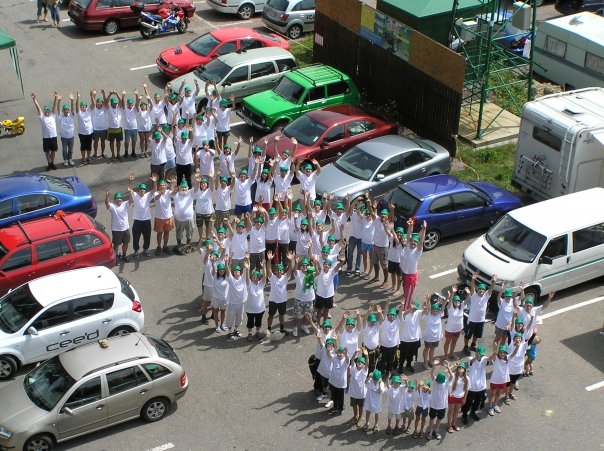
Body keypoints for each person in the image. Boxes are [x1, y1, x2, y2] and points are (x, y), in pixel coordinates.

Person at [463, 273, 497, 356]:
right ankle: (466, 347)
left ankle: (473, 345)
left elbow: (491, 289)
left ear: (485, 291)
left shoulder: (486, 296)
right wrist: (473, 280)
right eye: (480, 289)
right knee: (468, 335)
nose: (481, 291)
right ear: (477, 290)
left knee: (477, 334)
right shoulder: (474, 296)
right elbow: (472, 288)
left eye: (483, 290)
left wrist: (494, 282)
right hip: (472, 320)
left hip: (481, 320)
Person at [265, 250, 294, 338]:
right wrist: (269, 260)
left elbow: (290, 269)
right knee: (271, 315)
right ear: (275, 271)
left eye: (280, 270)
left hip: (282, 300)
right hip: (273, 300)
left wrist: (290, 260)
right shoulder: (272, 277)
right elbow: (268, 269)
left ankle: (282, 329)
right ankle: (269, 329)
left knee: (281, 315)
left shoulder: (285, 277)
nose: (279, 271)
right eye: (277, 270)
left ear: (282, 271)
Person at [400, 220, 427, 309]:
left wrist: (424, 230)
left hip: (411, 276)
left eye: (415, 242)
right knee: (406, 291)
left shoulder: (417, 251)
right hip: (405, 273)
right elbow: (409, 235)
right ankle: (405, 301)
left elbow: (421, 241)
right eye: (412, 241)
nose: (413, 243)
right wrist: (411, 225)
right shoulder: (408, 246)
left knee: (409, 294)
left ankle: (406, 309)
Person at [486, 344, 519, 416]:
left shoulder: (508, 358)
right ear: (498, 353)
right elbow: (489, 359)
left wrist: (517, 346)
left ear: (506, 353)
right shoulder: (496, 358)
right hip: (495, 380)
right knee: (492, 394)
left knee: (498, 393)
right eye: (501, 352)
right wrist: (494, 351)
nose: (502, 354)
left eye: (504, 352)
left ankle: (495, 405)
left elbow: (514, 353)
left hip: (503, 381)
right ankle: (490, 407)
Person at [127, 176, 153, 258]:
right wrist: (130, 181)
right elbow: (129, 188)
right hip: (137, 221)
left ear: (145, 191)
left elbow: (155, 190)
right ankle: (136, 251)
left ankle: (146, 249)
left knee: (147, 237)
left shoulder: (148, 196)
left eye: (143, 189)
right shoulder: (135, 196)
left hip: (146, 220)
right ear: (139, 190)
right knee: (136, 237)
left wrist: (154, 181)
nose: (142, 190)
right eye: (141, 189)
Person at [31, 92, 58, 171]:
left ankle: (52, 163)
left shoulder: (53, 116)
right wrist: (34, 99)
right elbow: (38, 107)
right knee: (47, 152)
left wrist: (55, 98)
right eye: (45, 110)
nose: (46, 112)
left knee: (53, 151)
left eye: (48, 110)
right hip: (46, 138)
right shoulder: (42, 117)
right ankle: (49, 164)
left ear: (49, 111)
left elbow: (54, 106)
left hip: (53, 137)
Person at [461, 346, 488, 424]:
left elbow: (490, 358)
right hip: (471, 387)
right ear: (476, 353)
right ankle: (464, 415)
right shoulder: (471, 359)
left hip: (481, 387)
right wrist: (476, 357)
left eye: (481, 354)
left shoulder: (484, 360)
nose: (480, 356)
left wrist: (495, 352)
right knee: (468, 402)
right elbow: (472, 361)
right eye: (479, 354)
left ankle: (472, 412)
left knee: (477, 402)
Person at [292, 257, 318, 337]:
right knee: (297, 315)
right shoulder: (298, 273)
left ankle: (304, 325)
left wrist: (315, 265)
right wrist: (296, 263)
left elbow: (318, 273)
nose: (305, 267)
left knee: (308, 315)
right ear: (300, 266)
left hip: (309, 299)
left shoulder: (311, 273)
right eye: (303, 265)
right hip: (299, 299)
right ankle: (295, 327)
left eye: (306, 265)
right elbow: (294, 271)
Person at [224, 255, 248, 339]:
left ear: (240, 272)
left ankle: (236, 330)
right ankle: (230, 332)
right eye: (235, 271)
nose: (237, 272)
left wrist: (247, 259)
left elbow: (246, 269)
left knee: (239, 318)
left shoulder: (243, 279)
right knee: (230, 318)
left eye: (238, 270)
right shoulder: (231, 280)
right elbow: (227, 271)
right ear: (233, 273)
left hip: (241, 303)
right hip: (232, 303)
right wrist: (226, 262)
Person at [426, 360, 450, 441]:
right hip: (433, 404)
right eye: (438, 381)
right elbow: (432, 373)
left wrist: (448, 367)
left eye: (440, 382)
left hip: (442, 405)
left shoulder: (446, 383)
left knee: (439, 419)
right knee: (432, 418)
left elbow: (452, 377)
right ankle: (430, 431)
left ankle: (436, 430)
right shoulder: (435, 381)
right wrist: (434, 365)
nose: (438, 382)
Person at [378, 301, 403, 381]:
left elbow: (400, 313)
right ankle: (382, 372)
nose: (392, 316)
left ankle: (389, 371)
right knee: (383, 360)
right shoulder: (384, 321)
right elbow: (385, 312)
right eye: (390, 314)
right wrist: (387, 304)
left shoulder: (397, 322)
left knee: (391, 360)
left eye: (393, 315)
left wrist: (402, 304)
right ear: (388, 315)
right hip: (384, 346)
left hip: (393, 346)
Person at [152, 175, 176, 255]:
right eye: (160, 185)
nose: (162, 186)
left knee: (167, 232)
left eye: (163, 185)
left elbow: (173, 193)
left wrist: (173, 183)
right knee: (159, 233)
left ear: (166, 186)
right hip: (159, 217)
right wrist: (160, 194)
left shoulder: (168, 192)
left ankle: (165, 246)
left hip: (168, 217)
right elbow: (156, 198)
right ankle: (159, 247)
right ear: (159, 187)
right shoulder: (156, 193)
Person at [105, 189, 131, 262]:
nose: (119, 199)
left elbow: (131, 200)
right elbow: (107, 204)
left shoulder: (125, 204)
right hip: (116, 230)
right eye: (117, 198)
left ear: (122, 200)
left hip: (126, 228)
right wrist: (107, 196)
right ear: (115, 200)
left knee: (126, 243)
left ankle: (124, 256)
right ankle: (115, 259)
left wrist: (130, 192)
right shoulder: (113, 206)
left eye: (120, 198)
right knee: (116, 245)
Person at [398, 300, 422, 374]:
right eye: (413, 308)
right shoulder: (405, 313)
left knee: (411, 354)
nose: (414, 310)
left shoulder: (418, 313)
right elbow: (404, 314)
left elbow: (426, 312)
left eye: (415, 308)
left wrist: (427, 302)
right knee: (403, 355)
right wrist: (410, 308)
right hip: (405, 339)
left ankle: (408, 365)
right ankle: (400, 366)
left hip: (415, 339)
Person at [245, 260, 267, 341]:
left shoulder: (261, 284)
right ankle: (250, 333)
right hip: (250, 309)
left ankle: (257, 332)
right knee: (250, 322)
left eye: (256, 277)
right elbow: (247, 278)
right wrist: (247, 269)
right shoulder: (249, 284)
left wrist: (263, 267)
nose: (255, 278)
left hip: (260, 309)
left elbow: (265, 276)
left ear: (258, 278)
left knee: (258, 322)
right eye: (253, 277)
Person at [446, 362, 469, 433]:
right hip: (452, 396)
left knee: (456, 411)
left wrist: (465, 398)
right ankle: (449, 426)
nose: (460, 368)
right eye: (459, 367)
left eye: (462, 367)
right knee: (451, 411)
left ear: (464, 370)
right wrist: (452, 366)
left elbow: (466, 389)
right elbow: (446, 372)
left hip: (460, 397)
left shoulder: (467, 378)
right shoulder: (453, 375)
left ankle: (454, 424)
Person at [347, 351, 369, 427]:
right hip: (353, 393)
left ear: (363, 365)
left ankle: (360, 418)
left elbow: (367, 364)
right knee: (354, 406)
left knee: (360, 407)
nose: (359, 363)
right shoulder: (353, 369)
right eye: (358, 362)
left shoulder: (364, 371)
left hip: (361, 394)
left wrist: (366, 356)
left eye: (362, 362)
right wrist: (355, 352)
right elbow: (352, 360)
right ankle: (355, 416)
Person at [171, 180, 195, 247]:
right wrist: (173, 183)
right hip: (179, 219)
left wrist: (197, 181)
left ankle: (187, 245)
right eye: (182, 187)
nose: (183, 189)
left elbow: (196, 188)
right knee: (179, 233)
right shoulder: (176, 194)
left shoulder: (191, 193)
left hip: (189, 219)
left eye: (185, 187)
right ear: (179, 188)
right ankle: (179, 246)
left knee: (190, 233)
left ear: (188, 188)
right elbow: (172, 193)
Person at [443, 291, 466, 360]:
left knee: (454, 342)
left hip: (458, 329)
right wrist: (453, 293)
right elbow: (450, 301)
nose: (457, 302)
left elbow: (467, 299)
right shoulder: (450, 308)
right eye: (455, 301)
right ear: (453, 302)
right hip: (449, 329)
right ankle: (445, 355)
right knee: (447, 342)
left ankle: (451, 354)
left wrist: (468, 293)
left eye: (458, 301)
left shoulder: (461, 307)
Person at [54, 93, 75, 167]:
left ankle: (70, 159)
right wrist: (59, 100)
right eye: (65, 110)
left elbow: (73, 108)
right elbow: (58, 108)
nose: (66, 111)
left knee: (71, 150)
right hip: (64, 137)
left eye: (67, 110)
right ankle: (65, 160)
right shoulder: (60, 116)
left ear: (68, 111)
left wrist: (72, 100)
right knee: (64, 150)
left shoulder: (71, 115)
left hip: (71, 136)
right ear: (63, 111)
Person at [327, 346, 349, 415]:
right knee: (334, 396)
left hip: (341, 384)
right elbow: (329, 355)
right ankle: (335, 407)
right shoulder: (334, 358)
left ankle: (340, 409)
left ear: (343, 354)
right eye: (338, 352)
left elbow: (347, 360)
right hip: (333, 382)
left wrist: (346, 353)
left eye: (341, 353)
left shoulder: (345, 361)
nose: (339, 354)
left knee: (340, 398)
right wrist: (328, 350)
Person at [506, 332, 527, 402]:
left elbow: (529, 342)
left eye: (519, 338)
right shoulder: (510, 345)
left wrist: (534, 334)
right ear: (514, 339)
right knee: (508, 383)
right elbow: (509, 337)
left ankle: (510, 393)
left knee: (513, 382)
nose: (518, 339)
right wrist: (508, 331)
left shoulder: (523, 346)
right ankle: (506, 396)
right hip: (510, 369)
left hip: (518, 370)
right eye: (517, 338)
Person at [193, 174, 215, 244]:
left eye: (205, 183)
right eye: (202, 183)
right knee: (200, 226)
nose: (203, 184)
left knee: (208, 226)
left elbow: (212, 185)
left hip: (208, 213)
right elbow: (196, 188)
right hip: (199, 213)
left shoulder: (209, 191)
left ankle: (207, 238)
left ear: (207, 184)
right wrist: (197, 181)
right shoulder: (198, 191)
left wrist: (211, 178)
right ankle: (201, 239)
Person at [422, 300, 443, 370]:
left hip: (436, 337)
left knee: (432, 348)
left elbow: (443, 307)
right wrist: (428, 300)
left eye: (436, 311)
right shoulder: (428, 316)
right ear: (431, 310)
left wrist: (447, 299)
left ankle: (430, 361)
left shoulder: (439, 315)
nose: (435, 312)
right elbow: (428, 308)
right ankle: (425, 362)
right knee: (426, 348)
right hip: (428, 336)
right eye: (433, 311)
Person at [75, 92, 93, 166]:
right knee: (83, 146)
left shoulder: (89, 110)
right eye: (82, 106)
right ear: (80, 107)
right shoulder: (79, 113)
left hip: (90, 132)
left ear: (86, 106)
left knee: (89, 146)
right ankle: (83, 158)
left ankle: (88, 158)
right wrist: (78, 97)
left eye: (85, 106)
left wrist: (91, 96)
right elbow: (76, 106)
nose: (84, 108)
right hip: (82, 133)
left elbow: (93, 104)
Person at [211, 258, 229, 332]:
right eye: (220, 270)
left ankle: (222, 325)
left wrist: (227, 261)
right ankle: (217, 326)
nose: (222, 271)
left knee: (223, 311)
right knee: (215, 311)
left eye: (223, 269)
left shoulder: (227, 277)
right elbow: (213, 269)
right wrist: (213, 262)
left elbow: (228, 268)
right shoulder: (215, 276)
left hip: (224, 298)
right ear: (218, 270)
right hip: (216, 298)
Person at [90, 89, 108, 159]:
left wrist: (104, 94)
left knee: (103, 142)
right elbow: (93, 102)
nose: (99, 103)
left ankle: (102, 153)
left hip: (103, 129)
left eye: (100, 102)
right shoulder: (93, 108)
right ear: (96, 103)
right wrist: (93, 95)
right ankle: (95, 153)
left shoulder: (104, 108)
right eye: (98, 102)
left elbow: (106, 102)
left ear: (102, 103)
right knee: (95, 142)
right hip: (95, 129)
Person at [137, 86, 153, 158]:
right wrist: (139, 99)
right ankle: (142, 152)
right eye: (142, 106)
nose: (143, 107)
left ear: (146, 106)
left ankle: (146, 151)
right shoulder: (139, 112)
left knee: (146, 141)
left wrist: (149, 99)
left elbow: (151, 105)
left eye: (144, 105)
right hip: (141, 129)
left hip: (148, 129)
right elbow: (137, 106)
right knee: (142, 141)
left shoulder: (148, 111)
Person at [123, 94, 138, 158]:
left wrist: (136, 95)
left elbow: (137, 103)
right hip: (127, 128)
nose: (130, 106)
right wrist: (123, 95)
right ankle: (126, 152)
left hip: (134, 128)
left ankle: (133, 152)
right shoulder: (125, 109)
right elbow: (123, 102)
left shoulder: (134, 108)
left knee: (134, 141)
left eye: (131, 104)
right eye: (129, 104)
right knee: (127, 142)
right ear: (127, 104)